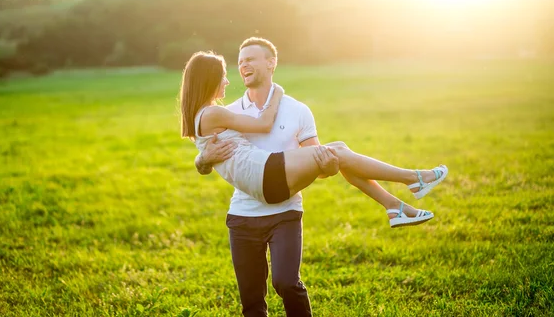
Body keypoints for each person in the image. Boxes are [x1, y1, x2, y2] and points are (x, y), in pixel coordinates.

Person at [184, 38, 448, 316]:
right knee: (251, 301)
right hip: (252, 198)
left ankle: (399, 202)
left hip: (281, 197)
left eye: (250, 59)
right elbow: (233, 141)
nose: (238, 70)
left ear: (271, 63)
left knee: (338, 154)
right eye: (238, 63)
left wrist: (330, 168)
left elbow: (320, 167)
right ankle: (410, 184)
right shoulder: (226, 111)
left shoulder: (297, 110)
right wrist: (202, 159)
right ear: (210, 78)